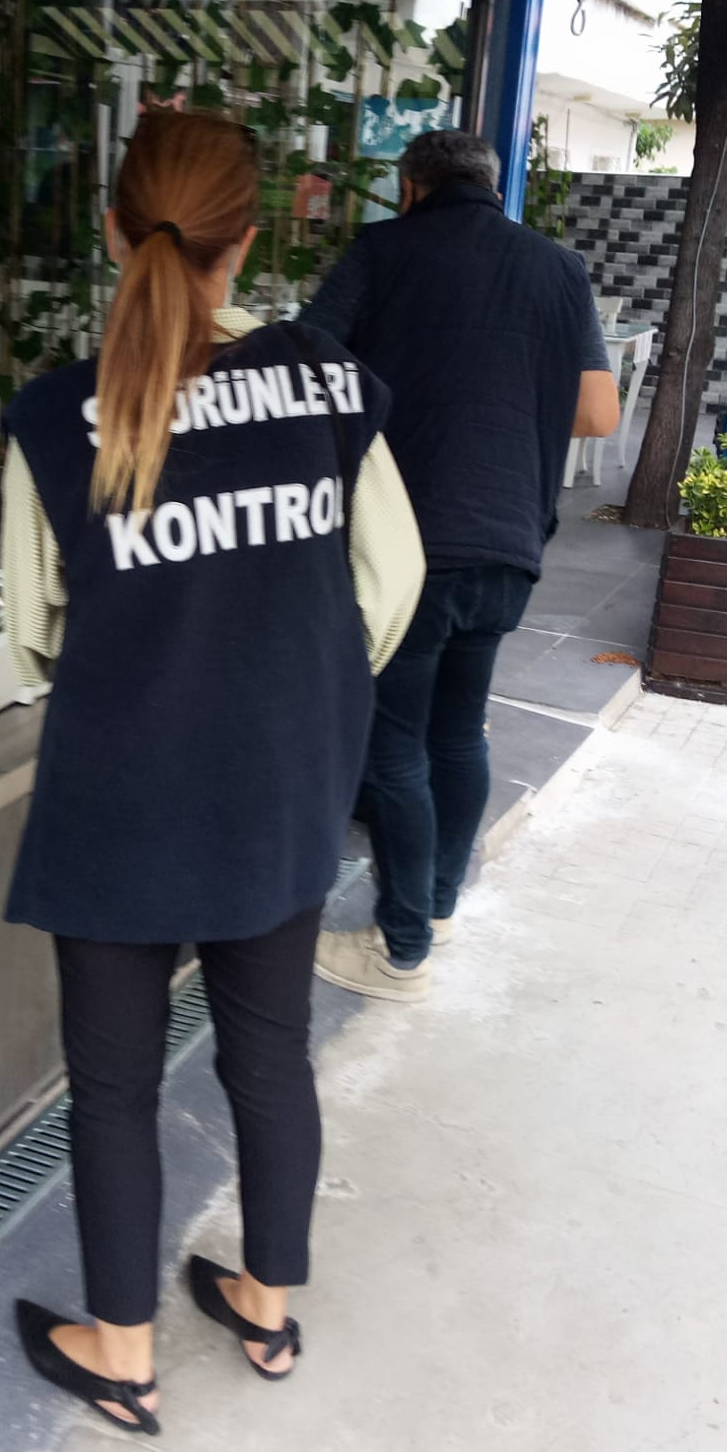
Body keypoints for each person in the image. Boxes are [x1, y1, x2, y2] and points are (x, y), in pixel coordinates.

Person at [0, 110, 425, 1435]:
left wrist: (146, 670)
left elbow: (33, 630)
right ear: (248, 241)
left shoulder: (57, 414)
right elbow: (392, 580)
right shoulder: (325, 383)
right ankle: (265, 1306)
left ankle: (120, 1354)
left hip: (119, 792)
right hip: (278, 783)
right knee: (271, 1051)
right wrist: (293, 680)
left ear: (111, 230)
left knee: (114, 1083)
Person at [301, 128, 620, 1003]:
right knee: (457, 731)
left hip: (408, 547)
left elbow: (307, 366)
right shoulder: (559, 268)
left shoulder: (383, 252)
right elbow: (599, 414)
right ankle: (436, 910)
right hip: (510, 544)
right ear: (493, 187)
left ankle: (400, 950)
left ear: (412, 188)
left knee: (395, 747)